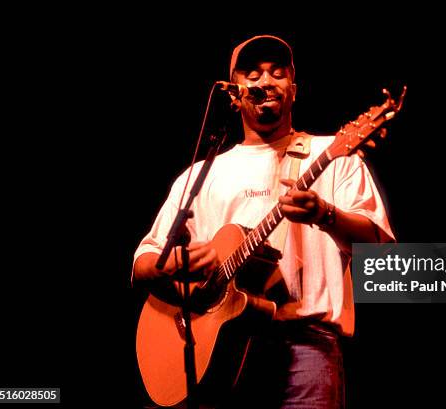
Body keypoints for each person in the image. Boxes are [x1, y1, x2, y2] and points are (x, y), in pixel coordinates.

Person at [133, 35, 395, 409]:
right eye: (252, 74)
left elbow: (381, 253)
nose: (265, 81)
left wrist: (326, 214)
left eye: (277, 73)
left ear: (293, 90)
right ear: (234, 93)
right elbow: (143, 263)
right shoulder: (202, 173)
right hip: (218, 357)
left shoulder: (335, 155)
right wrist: (177, 266)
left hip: (304, 348)